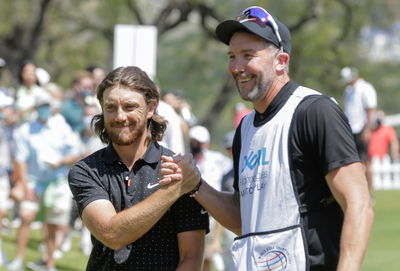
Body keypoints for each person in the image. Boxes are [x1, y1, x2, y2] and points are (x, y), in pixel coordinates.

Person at [160, 6, 374, 271]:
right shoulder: (245, 128)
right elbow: (243, 217)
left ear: (281, 61)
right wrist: (196, 185)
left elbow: (358, 203)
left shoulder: (313, 111)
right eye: (232, 56)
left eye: (248, 55)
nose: (237, 67)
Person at [68, 66, 209, 271]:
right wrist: (172, 190)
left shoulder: (177, 168)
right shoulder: (87, 170)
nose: (119, 116)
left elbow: (191, 258)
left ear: (151, 108)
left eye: (129, 106)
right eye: (110, 107)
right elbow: (112, 235)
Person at [6, 92, 81, 271]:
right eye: (41, 106)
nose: (44, 110)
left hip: (57, 182)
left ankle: (49, 263)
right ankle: (18, 259)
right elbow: (21, 160)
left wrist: (61, 161)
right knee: (26, 217)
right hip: (33, 181)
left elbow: (75, 153)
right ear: (36, 108)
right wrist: (24, 185)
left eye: (47, 106)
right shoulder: (25, 130)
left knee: (54, 223)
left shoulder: (61, 127)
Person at [188, 125, 232, 271]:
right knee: (196, 256)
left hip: (214, 214)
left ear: (206, 143)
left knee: (211, 255)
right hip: (192, 213)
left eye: (198, 141)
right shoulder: (186, 160)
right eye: (193, 141)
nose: (195, 144)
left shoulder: (217, 160)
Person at [341, 66, 377, 192]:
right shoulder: (348, 90)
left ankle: (369, 193)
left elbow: (370, 109)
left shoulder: (365, 88)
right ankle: (359, 190)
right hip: (351, 129)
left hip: (362, 128)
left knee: (365, 161)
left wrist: (367, 129)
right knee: (354, 162)